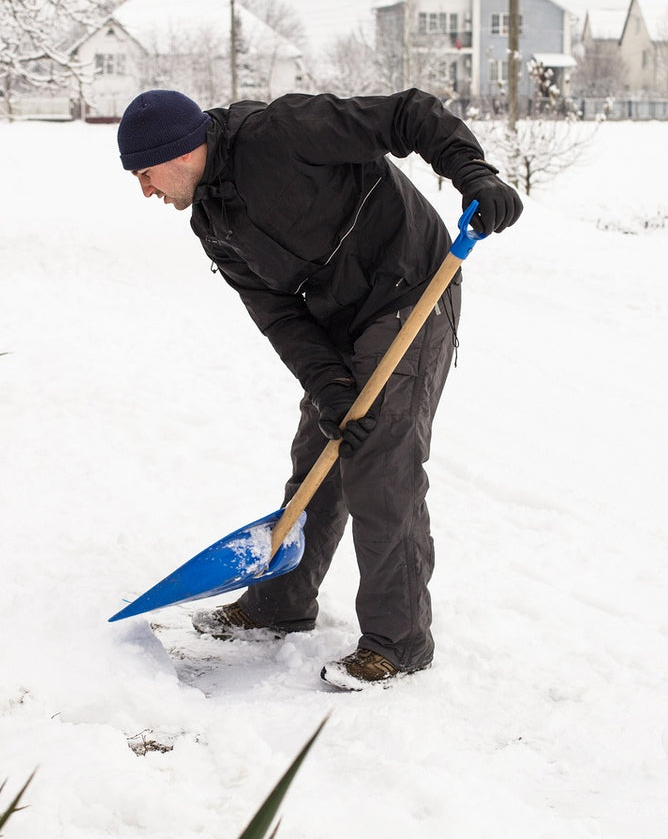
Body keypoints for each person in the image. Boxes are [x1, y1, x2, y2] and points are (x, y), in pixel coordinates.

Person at [116, 88, 522, 689]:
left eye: (145, 174)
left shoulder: (282, 132)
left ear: (179, 151)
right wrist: (327, 383)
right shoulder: (212, 221)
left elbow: (408, 114)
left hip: (410, 285)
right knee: (322, 450)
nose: (146, 190)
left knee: (380, 458)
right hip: (339, 317)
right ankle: (279, 604)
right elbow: (278, 314)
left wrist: (474, 173)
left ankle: (399, 640)